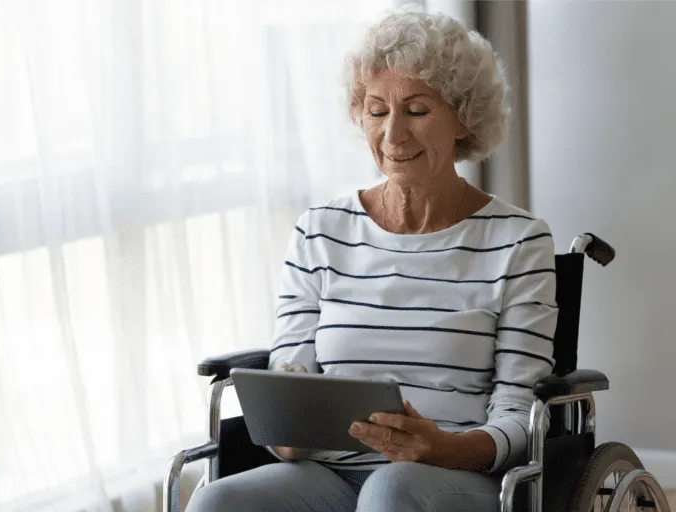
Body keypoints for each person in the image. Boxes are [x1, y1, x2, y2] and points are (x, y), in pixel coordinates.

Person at [186, 5, 557, 512]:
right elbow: (291, 371)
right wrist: (285, 428)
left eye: (417, 111)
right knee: (217, 502)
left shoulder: (518, 241)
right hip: (329, 473)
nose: (393, 135)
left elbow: (521, 418)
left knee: (391, 490)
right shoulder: (321, 230)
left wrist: (443, 447)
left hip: (453, 476)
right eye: (377, 111)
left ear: (464, 117)